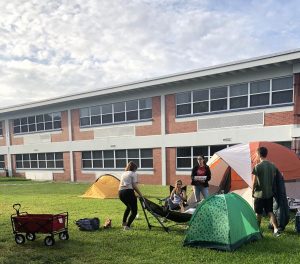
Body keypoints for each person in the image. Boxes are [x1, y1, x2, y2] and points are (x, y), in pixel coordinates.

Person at [252, 146, 280, 237]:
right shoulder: (273, 166)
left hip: (259, 194)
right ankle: (276, 230)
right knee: (270, 212)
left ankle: (257, 231)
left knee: (258, 213)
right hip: (269, 193)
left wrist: (253, 191)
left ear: (259, 154)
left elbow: (254, 181)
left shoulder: (257, 166)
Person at [118, 161, 143, 231]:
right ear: (134, 168)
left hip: (120, 192)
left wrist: (134, 194)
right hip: (128, 192)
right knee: (134, 211)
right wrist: (141, 194)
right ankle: (127, 226)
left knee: (128, 207)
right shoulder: (133, 173)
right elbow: (134, 186)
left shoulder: (124, 173)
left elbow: (128, 185)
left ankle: (124, 222)